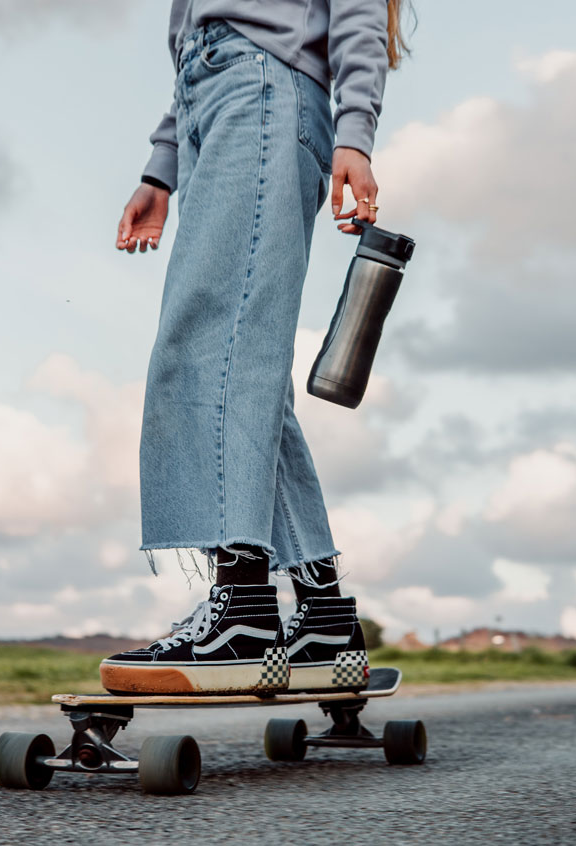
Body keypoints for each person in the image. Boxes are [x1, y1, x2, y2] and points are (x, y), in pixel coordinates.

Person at [100, 0, 412, 696]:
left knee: (213, 349)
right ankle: (324, 613)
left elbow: (357, 8)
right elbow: (195, 36)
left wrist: (353, 134)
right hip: (214, 99)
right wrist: (162, 167)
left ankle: (242, 608)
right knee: (245, 366)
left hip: (263, 92)